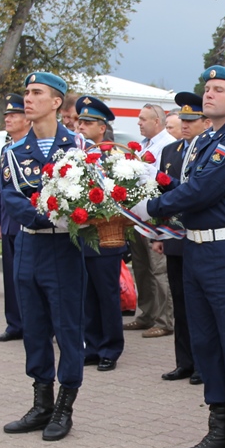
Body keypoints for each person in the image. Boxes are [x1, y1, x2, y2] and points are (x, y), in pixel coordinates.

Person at [139, 65, 225, 448]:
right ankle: (218, 427)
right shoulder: (204, 138)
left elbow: (206, 189)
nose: (208, 95)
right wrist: (149, 186)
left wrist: (153, 207)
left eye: (218, 90)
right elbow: (188, 187)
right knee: (206, 343)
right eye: (207, 88)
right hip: (196, 250)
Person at [0, 72, 87, 442]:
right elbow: (9, 195)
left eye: (37, 93)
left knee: (67, 328)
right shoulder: (14, 150)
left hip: (64, 248)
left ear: (56, 103)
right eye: (26, 93)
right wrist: (40, 214)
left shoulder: (77, 146)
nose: (28, 99)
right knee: (33, 328)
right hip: (29, 243)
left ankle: (65, 406)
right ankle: (41, 402)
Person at [155, 92, 208, 383]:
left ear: (204, 121)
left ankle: (203, 363)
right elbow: (163, 194)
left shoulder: (210, 150)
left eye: (192, 120)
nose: (186, 125)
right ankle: (184, 361)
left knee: (200, 304)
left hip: (201, 235)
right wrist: (159, 232)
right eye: (183, 119)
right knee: (180, 301)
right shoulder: (171, 151)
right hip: (175, 235)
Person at [74, 95, 127, 372]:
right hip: (82, 234)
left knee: (106, 294)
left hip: (107, 234)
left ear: (101, 128)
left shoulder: (114, 158)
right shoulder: (76, 156)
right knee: (87, 295)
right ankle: (92, 346)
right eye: (79, 121)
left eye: (87, 122)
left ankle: (110, 348)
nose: (80, 126)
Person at [124, 103, 176, 337]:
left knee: (158, 269)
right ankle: (145, 314)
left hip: (155, 215)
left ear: (157, 121)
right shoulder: (142, 145)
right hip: (137, 214)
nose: (139, 123)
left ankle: (164, 320)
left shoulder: (168, 145)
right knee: (141, 266)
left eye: (143, 119)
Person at [0, 95, 26, 343]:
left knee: (29, 278)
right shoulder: (6, 149)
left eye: (14, 115)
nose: (8, 119)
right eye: (6, 115)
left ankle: (36, 324)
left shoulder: (29, 147)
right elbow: (1, 191)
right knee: (12, 278)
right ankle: (15, 324)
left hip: (28, 222)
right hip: (9, 221)